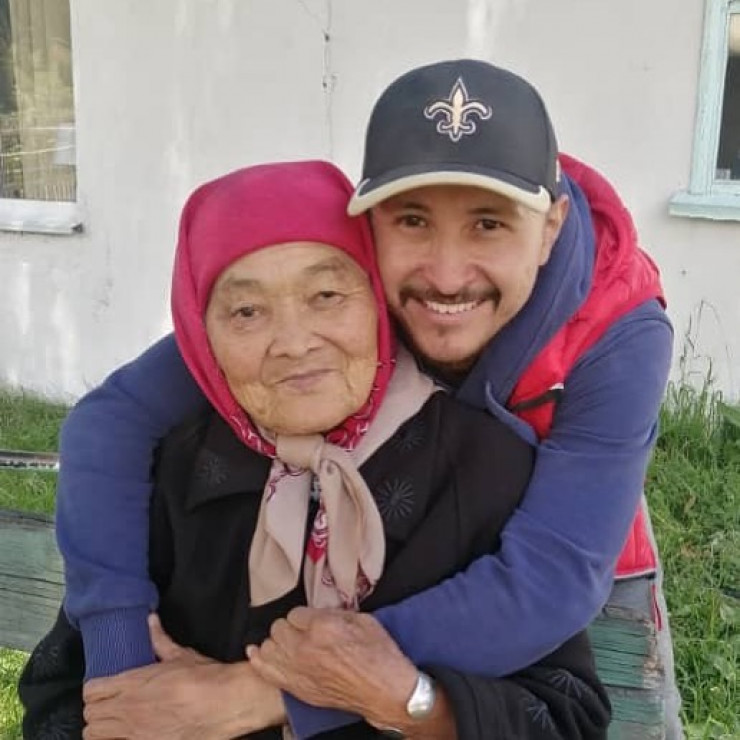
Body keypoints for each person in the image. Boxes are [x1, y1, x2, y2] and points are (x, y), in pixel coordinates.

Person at [47, 59, 676, 737]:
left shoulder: (620, 334)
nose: (446, 274)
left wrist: (273, 691)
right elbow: (112, 420)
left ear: (550, 227)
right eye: (413, 220)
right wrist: (122, 678)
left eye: (489, 225)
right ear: (367, 223)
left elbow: (554, 582)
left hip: (574, 541)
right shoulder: (320, 307)